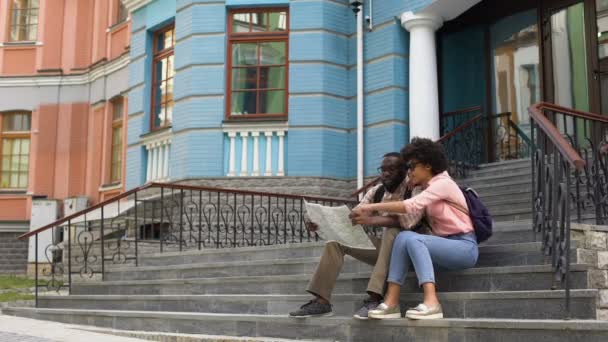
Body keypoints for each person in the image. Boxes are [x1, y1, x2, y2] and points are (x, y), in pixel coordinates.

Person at [352, 138, 479, 320]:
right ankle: (391, 302)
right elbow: (408, 219)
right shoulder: (425, 187)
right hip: (442, 246)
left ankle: (432, 302)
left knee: (412, 238)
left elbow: (411, 205)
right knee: (403, 236)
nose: (409, 172)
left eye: (412, 166)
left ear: (427, 165)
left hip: (464, 247)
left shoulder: (443, 184)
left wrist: (370, 208)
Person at [288, 152, 425, 320]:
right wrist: (321, 223)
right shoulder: (377, 191)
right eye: (383, 170)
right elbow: (355, 216)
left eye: (392, 169)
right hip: (388, 253)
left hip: (416, 252)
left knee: (393, 231)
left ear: (404, 170)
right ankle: (321, 301)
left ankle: (375, 298)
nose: (386, 174)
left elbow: (409, 222)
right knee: (336, 242)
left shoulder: (415, 187)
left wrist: (372, 219)